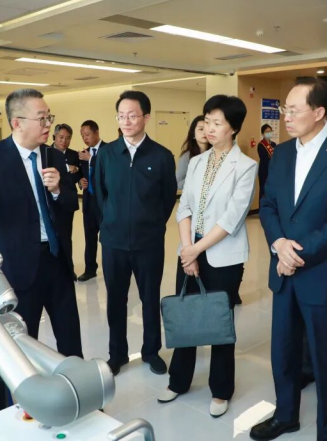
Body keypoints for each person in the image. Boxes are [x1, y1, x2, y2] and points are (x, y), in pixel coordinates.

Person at [251, 78, 327, 441]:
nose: (285, 116)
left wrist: (294, 253)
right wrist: (278, 244)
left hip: (324, 273)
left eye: (293, 110)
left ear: (319, 113)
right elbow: (268, 205)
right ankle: (286, 415)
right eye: (284, 109)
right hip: (284, 271)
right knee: (284, 352)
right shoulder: (283, 153)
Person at [0, 88, 83, 357]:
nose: (48, 124)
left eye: (49, 117)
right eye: (41, 118)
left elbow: (71, 203)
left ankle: (77, 382)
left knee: (70, 337)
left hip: (57, 261)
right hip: (19, 268)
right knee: (23, 343)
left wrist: (58, 189)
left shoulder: (54, 156)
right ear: (17, 123)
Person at [157, 95, 257, 418]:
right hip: (189, 248)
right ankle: (179, 380)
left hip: (222, 255)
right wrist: (188, 249)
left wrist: (196, 250)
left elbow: (232, 218)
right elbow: (184, 207)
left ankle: (221, 389)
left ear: (233, 128)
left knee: (219, 322)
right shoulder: (197, 161)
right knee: (187, 316)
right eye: (207, 121)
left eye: (217, 123)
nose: (209, 128)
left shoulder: (246, 166)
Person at [95, 90, 177, 376]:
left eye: (132, 115)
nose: (126, 121)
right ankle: (117, 354)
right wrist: (112, 221)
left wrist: (151, 224)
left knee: (150, 298)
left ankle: (151, 351)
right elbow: (100, 195)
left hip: (148, 242)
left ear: (146, 117)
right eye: (121, 116)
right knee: (115, 300)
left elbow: (167, 198)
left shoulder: (162, 156)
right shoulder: (106, 154)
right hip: (113, 242)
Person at [77, 120, 105, 283]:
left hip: (104, 203)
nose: (85, 138)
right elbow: (82, 175)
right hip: (88, 202)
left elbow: (106, 171)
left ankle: (111, 269)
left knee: (107, 239)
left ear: (96, 132)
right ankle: (90, 270)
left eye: (87, 134)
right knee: (89, 238)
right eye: (82, 136)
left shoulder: (108, 150)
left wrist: (91, 159)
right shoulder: (83, 153)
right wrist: (80, 182)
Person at [52, 123, 81, 277]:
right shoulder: (46, 153)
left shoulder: (74, 155)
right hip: (50, 202)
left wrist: (77, 174)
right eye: (61, 137)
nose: (64, 141)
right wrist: (67, 168)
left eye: (68, 138)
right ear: (54, 137)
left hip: (67, 202)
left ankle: (68, 270)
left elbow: (77, 176)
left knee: (65, 237)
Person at [176, 115, 209, 190]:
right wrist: (199, 179)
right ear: (193, 134)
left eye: (207, 129)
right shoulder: (187, 156)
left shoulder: (217, 153)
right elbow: (178, 183)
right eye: (201, 129)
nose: (205, 132)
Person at [257, 123, 277, 199]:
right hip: (264, 170)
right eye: (267, 132)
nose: (269, 133)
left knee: (272, 191)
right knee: (264, 191)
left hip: (272, 170)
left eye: (270, 131)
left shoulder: (274, 144)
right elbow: (263, 158)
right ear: (263, 133)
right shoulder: (261, 145)